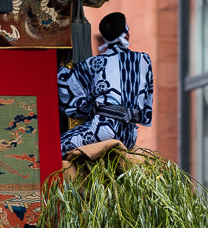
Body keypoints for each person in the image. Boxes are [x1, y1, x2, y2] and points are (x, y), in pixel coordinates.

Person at [58, 12, 152, 154]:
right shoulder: (145, 60)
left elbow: (69, 89)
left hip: (103, 130)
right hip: (130, 136)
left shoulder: (96, 62)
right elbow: (146, 104)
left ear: (104, 36)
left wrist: (58, 68)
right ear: (126, 34)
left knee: (56, 148)